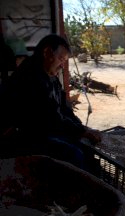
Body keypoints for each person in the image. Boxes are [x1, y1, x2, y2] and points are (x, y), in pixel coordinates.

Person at [0, 34, 101, 168]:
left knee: (86, 148)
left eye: (65, 61)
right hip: (25, 136)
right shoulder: (29, 76)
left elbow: (64, 108)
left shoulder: (49, 75)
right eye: (61, 59)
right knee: (75, 155)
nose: (62, 66)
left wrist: (82, 128)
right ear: (47, 53)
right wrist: (81, 132)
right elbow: (51, 118)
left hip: (45, 130)